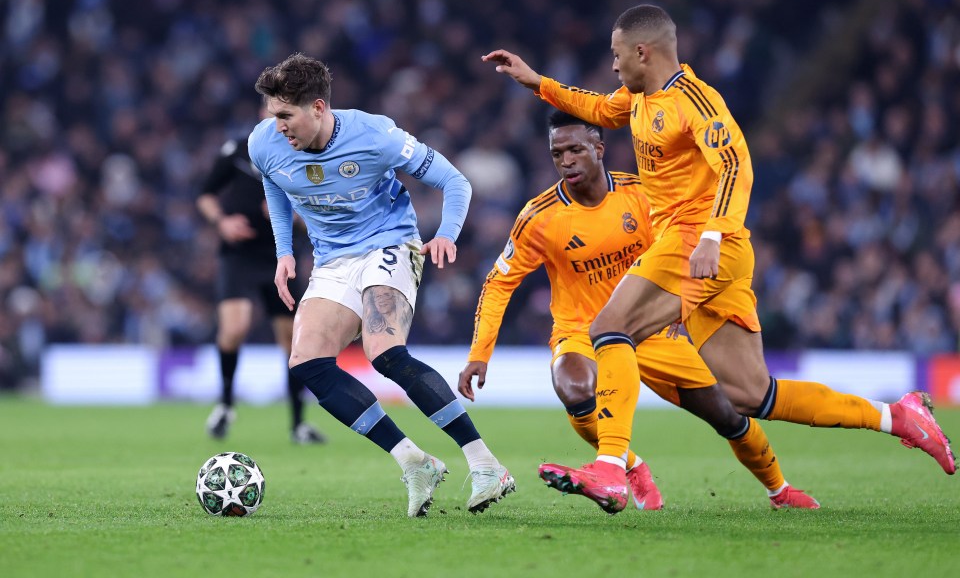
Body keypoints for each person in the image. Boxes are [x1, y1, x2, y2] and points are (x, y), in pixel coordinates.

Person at [482, 4, 955, 512]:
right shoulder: (639, 100)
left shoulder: (695, 100)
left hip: (699, 243)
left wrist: (712, 234)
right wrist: (537, 83)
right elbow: (596, 109)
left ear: (643, 51)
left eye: (618, 56)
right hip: (708, 253)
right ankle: (898, 417)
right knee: (754, 395)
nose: (614, 66)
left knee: (607, 328)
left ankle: (612, 469)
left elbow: (735, 163)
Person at [459, 110, 818, 512]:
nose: (566, 160)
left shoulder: (643, 196)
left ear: (599, 148)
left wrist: (689, 312)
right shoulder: (539, 216)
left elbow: (681, 257)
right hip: (581, 330)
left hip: (649, 330)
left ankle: (779, 489)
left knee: (729, 415)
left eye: (576, 149)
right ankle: (626, 467)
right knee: (574, 388)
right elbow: (498, 282)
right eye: (557, 153)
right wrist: (479, 353)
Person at [248, 52, 515, 517]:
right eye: (273, 115)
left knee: (383, 352)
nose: (278, 126)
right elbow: (273, 183)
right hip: (332, 260)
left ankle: (486, 463)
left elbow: (456, 183)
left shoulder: (376, 135)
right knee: (307, 362)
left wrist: (446, 235)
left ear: (318, 107)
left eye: (286, 115)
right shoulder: (264, 143)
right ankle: (413, 461)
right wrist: (284, 250)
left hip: (388, 243)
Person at [197, 133, 327, 445]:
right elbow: (205, 194)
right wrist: (222, 223)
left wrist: (292, 216)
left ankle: (298, 424)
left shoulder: (308, 154)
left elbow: (323, 211)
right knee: (235, 327)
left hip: (280, 256)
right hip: (238, 255)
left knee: (292, 342)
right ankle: (226, 405)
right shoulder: (238, 149)